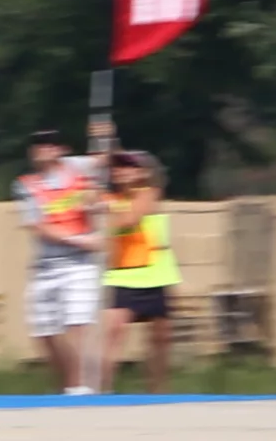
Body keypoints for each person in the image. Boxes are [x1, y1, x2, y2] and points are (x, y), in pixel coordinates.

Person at [13, 128, 104, 394]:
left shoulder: (80, 168)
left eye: (49, 144)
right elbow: (38, 226)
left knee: (77, 323)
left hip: (79, 265)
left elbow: (108, 162)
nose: (42, 149)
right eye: (37, 145)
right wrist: (81, 240)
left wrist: (105, 137)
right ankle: (67, 384)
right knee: (45, 331)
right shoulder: (26, 184)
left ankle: (79, 387)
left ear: (61, 149)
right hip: (47, 266)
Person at [101, 151, 181, 394]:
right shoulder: (107, 198)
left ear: (143, 172)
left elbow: (131, 219)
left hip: (157, 273)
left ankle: (157, 392)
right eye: (117, 167)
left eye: (128, 166)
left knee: (160, 339)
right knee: (113, 334)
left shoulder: (148, 194)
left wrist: (103, 221)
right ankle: (102, 392)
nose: (121, 170)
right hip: (122, 274)